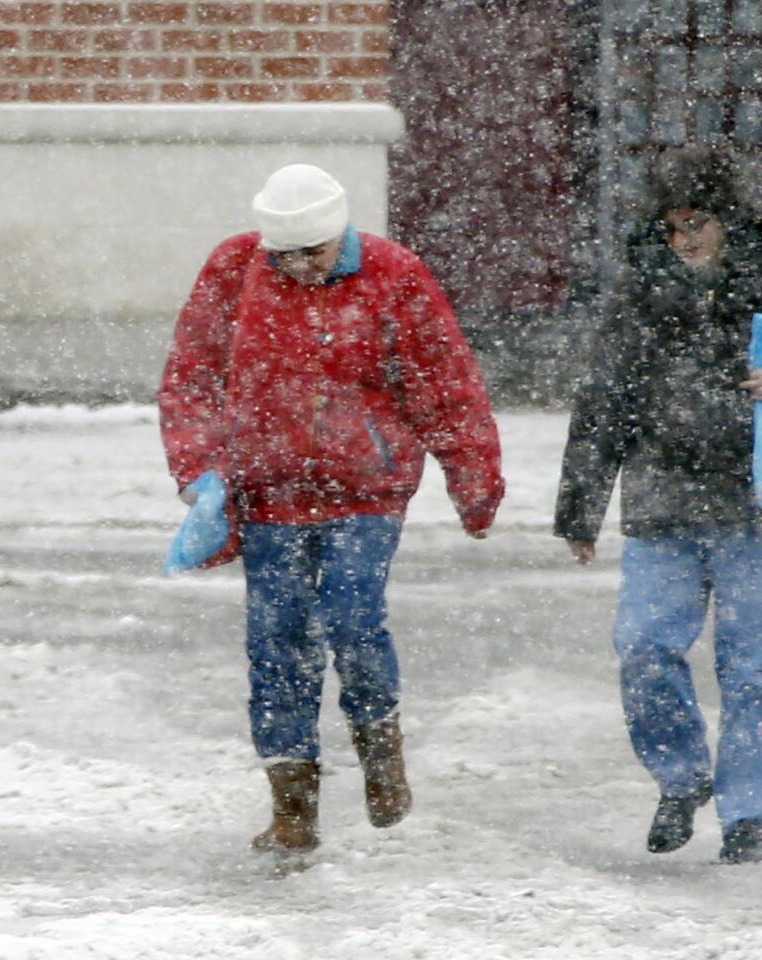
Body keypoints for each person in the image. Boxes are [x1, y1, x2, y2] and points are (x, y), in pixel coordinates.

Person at [159, 163, 505, 857]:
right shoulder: (234, 268)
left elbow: (445, 380)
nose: (300, 268)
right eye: (283, 256)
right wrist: (197, 467)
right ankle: (293, 805)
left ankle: (382, 759)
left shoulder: (392, 273)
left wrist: (473, 478)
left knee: (352, 615)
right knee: (277, 641)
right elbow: (192, 371)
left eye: (312, 253)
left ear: (338, 232)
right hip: (269, 493)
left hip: (366, 489)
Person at [554, 148, 762, 864]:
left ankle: (748, 810)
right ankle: (682, 776)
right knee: (643, 646)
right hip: (662, 500)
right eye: (668, 229)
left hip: (760, 499)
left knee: (751, 667)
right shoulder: (637, 295)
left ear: (729, 219)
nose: (682, 240)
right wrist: (580, 508)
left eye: (694, 223)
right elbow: (604, 403)